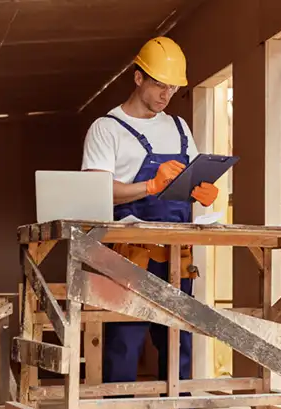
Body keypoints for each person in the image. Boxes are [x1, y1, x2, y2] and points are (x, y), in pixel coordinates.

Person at [80, 36, 218, 390]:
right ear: (138, 77)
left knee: (178, 346)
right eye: (159, 85)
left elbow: (189, 182)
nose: (165, 96)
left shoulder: (180, 128)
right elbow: (94, 195)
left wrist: (203, 194)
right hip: (127, 256)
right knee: (123, 344)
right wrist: (148, 187)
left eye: (171, 88)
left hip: (177, 255)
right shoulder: (106, 129)